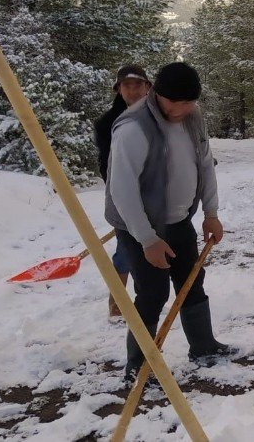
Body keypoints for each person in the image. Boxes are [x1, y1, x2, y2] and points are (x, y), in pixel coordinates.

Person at [105, 62, 231, 382]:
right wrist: (148, 240)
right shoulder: (133, 127)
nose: (185, 109)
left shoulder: (191, 115)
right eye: (177, 103)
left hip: (178, 221)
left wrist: (211, 212)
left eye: (190, 102)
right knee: (152, 293)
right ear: (158, 94)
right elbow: (122, 189)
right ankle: (138, 364)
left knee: (191, 282)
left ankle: (204, 347)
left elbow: (204, 163)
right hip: (138, 226)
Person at [94, 65, 151, 318]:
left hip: (156, 195)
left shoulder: (158, 115)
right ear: (118, 89)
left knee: (151, 246)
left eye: (137, 84)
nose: (132, 90)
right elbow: (107, 165)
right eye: (126, 85)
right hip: (124, 197)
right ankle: (117, 303)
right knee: (126, 249)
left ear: (147, 87)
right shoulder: (108, 123)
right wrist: (123, 193)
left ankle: (147, 297)